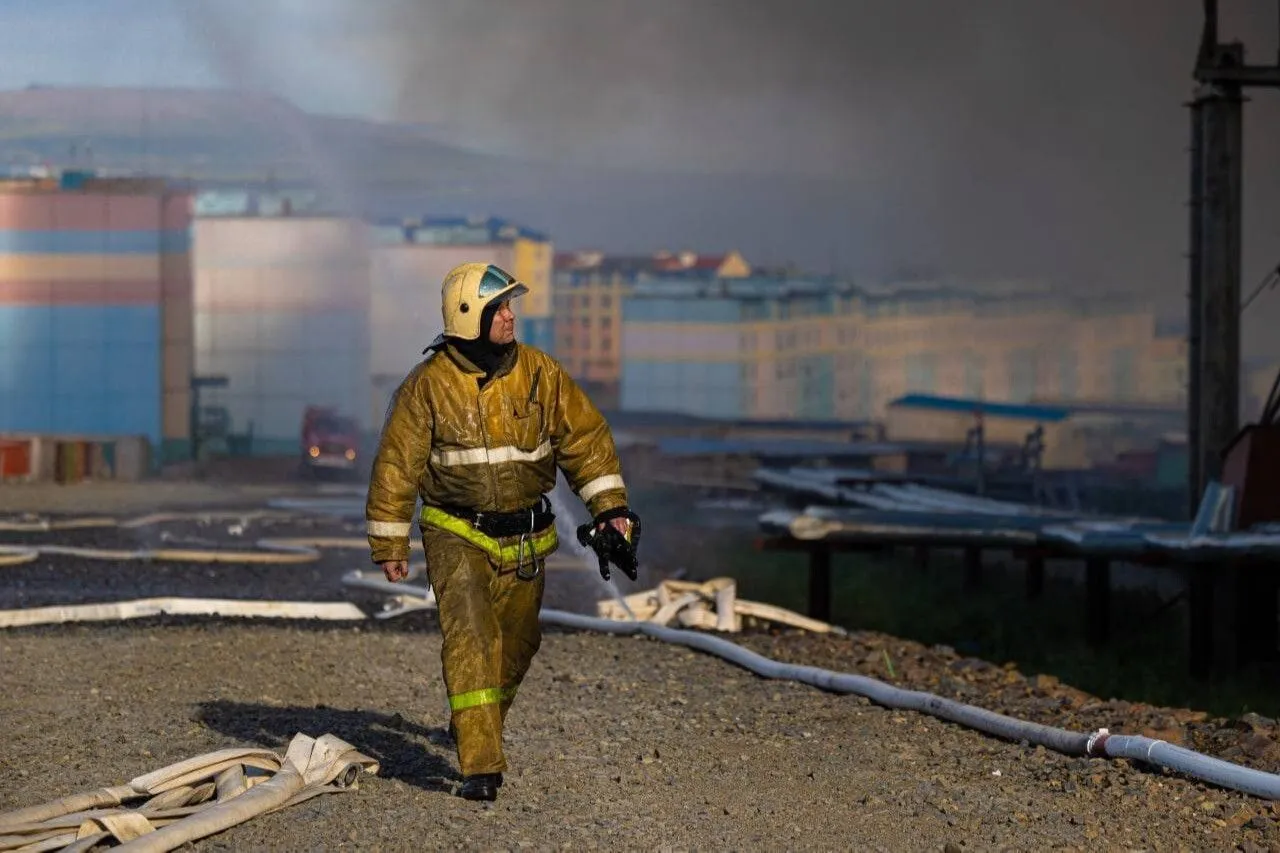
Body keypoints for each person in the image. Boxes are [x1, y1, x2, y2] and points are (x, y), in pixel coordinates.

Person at [365, 261, 638, 802]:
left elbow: (584, 442)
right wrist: (389, 542)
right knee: (472, 639)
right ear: (470, 315)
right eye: (501, 308)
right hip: (455, 531)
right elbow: (396, 467)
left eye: (511, 306)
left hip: (527, 538)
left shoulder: (542, 374)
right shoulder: (426, 388)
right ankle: (481, 767)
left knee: (518, 643)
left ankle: (475, 718)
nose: (512, 316)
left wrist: (610, 509)